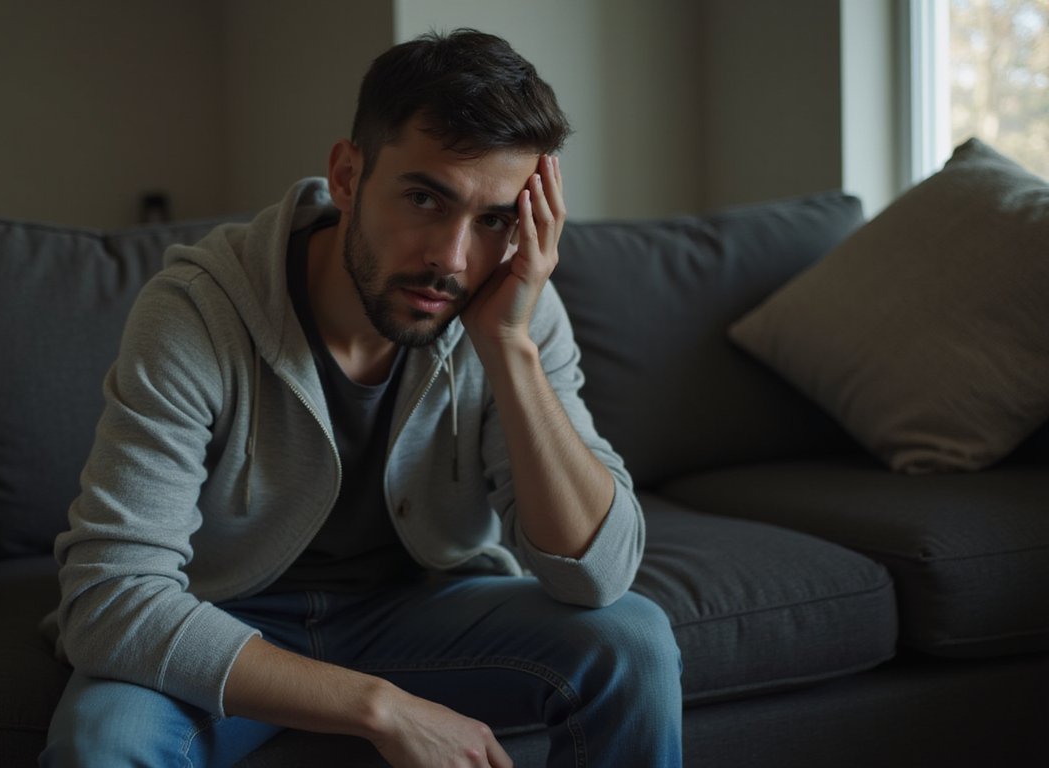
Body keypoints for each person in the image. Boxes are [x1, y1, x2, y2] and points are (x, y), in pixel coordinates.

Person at [40, 28, 682, 768]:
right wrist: (379, 707)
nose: (450, 258)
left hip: (421, 612)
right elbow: (109, 600)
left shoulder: (513, 308)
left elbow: (597, 576)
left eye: (493, 220)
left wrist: (510, 351)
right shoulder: (196, 310)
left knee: (631, 643)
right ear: (347, 175)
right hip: (224, 616)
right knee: (102, 743)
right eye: (423, 198)